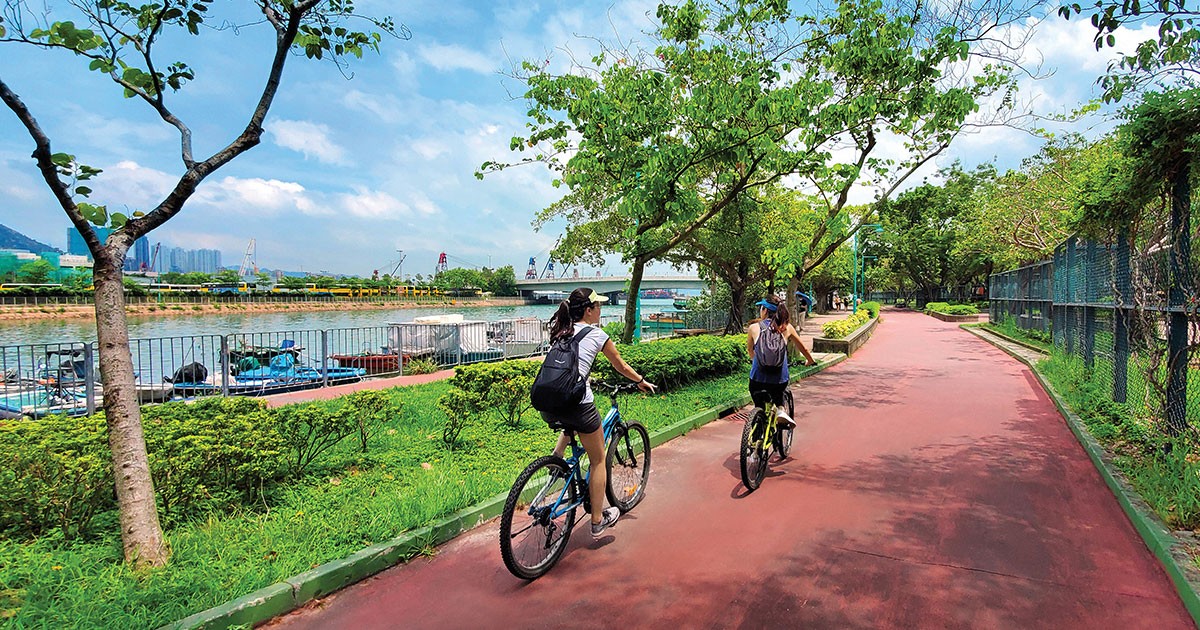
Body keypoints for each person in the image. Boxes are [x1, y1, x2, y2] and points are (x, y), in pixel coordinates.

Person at [541, 287, 657, 539]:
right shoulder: (596, 335)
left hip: (549, 404)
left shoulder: (562, 331)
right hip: (578, 405)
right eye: (598, 306)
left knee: (570, 422)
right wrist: (640, 381)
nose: (601, 310)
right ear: (588, 310)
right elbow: (621, 365)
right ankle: (597, 519)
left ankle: (557, 457)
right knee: (598, 459)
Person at [747, 294, 816, 429]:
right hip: (779, 380)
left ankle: (757, 425)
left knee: (759, 404)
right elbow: (804, 348)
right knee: (779, 394)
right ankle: (780, 410)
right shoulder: (786, 327)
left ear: (765, 310)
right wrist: (810, 361)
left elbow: (750, 351)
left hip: (757, 379)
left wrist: (758, 361)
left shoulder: (754, 328)